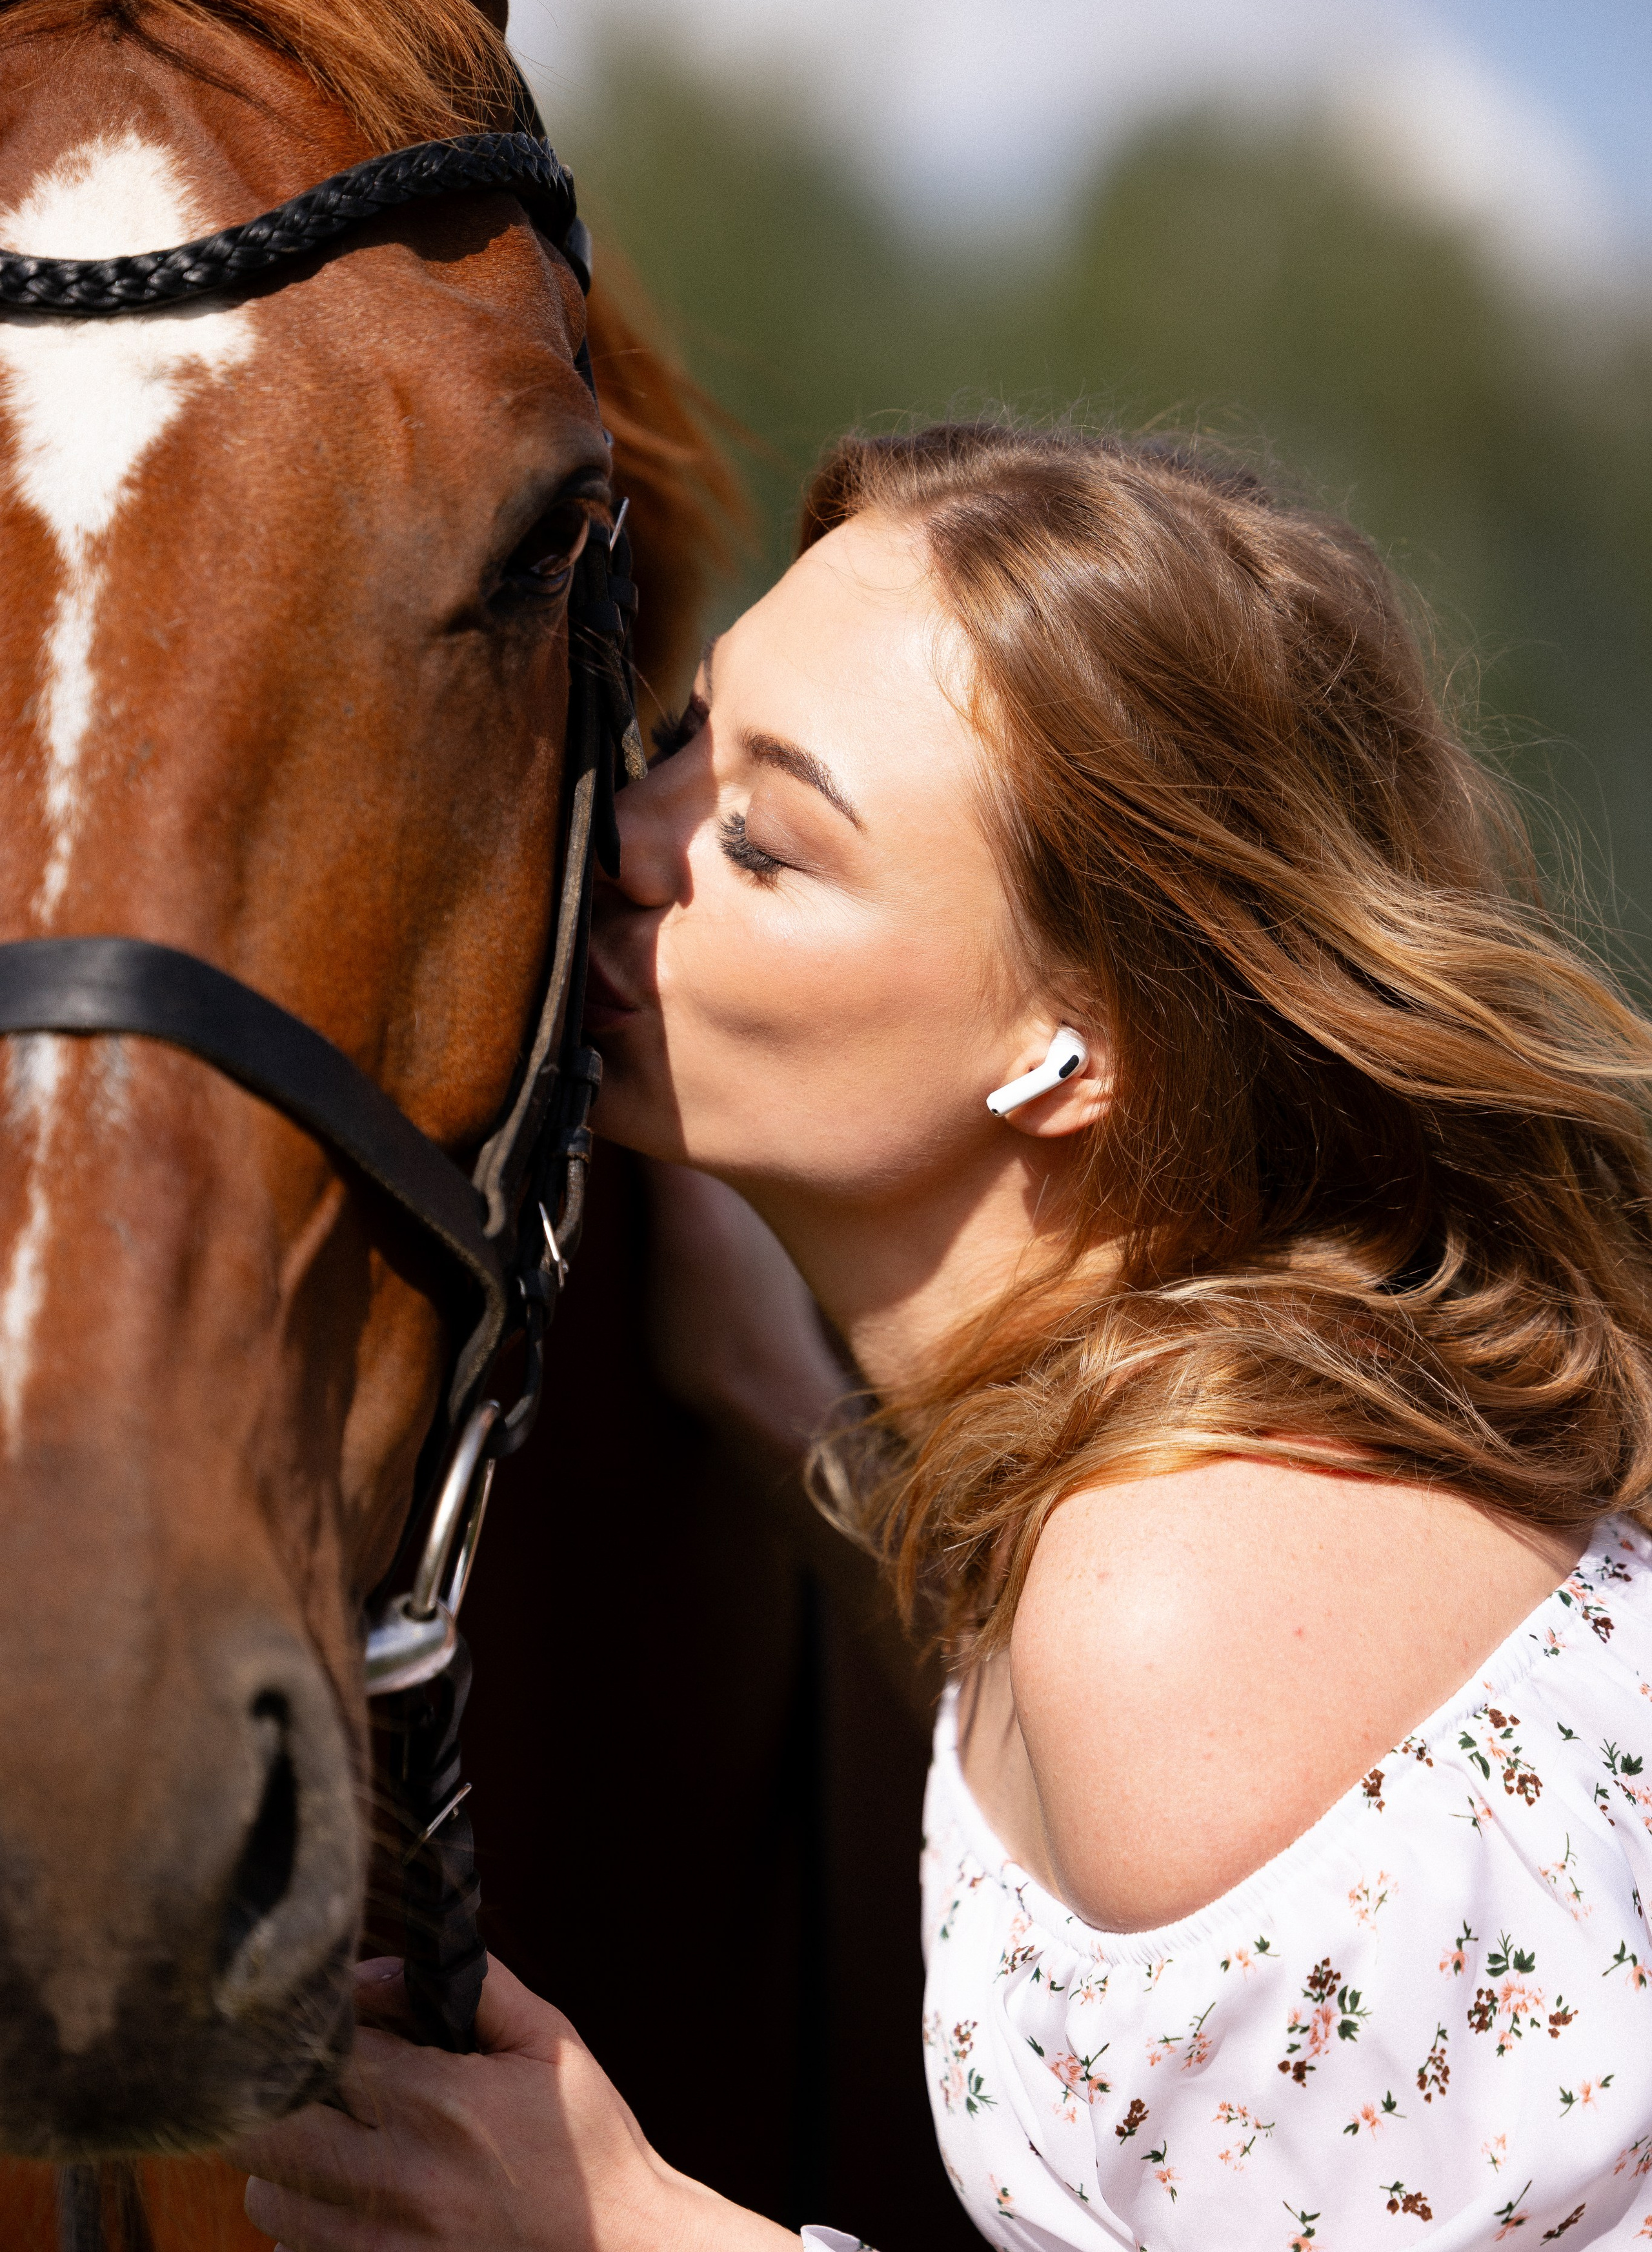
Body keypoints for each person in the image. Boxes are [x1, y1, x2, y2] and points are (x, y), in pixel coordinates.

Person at [236, 424, 1652, 2249]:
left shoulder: (1177, 1617)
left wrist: (625, 2228)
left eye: (762, 840)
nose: (635, 843)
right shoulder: (1218, 1467)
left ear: (1074, 1050)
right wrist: (781, 1374)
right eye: (681, 740)